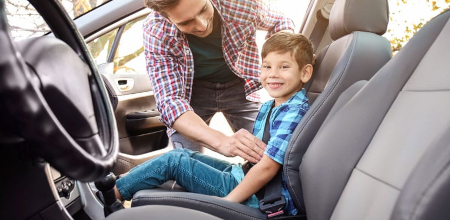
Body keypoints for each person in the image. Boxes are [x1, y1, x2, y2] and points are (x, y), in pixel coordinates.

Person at [114, 32, 314, 216]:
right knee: (181, 155)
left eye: (284, 67)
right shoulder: (272, 106)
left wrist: (228, 201)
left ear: (305, 73)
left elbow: (268, 168)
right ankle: (125, 181)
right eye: (267, 66)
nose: (273, 74)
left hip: (262, 195)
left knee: (174, 163)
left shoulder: (293, 112)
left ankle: (112, 194)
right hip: (244, 174)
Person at [142, 0, 295, 163]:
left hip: (240, 88)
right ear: (165, 17)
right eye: (186, 22)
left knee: (270, 153)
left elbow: (281, 22)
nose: (201, 26)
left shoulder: (241, 3)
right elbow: (170, 103)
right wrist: (222, 142)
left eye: (203, 10)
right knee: (187, 165)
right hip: (191, 97)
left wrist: (279, 65)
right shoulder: (156, 30)